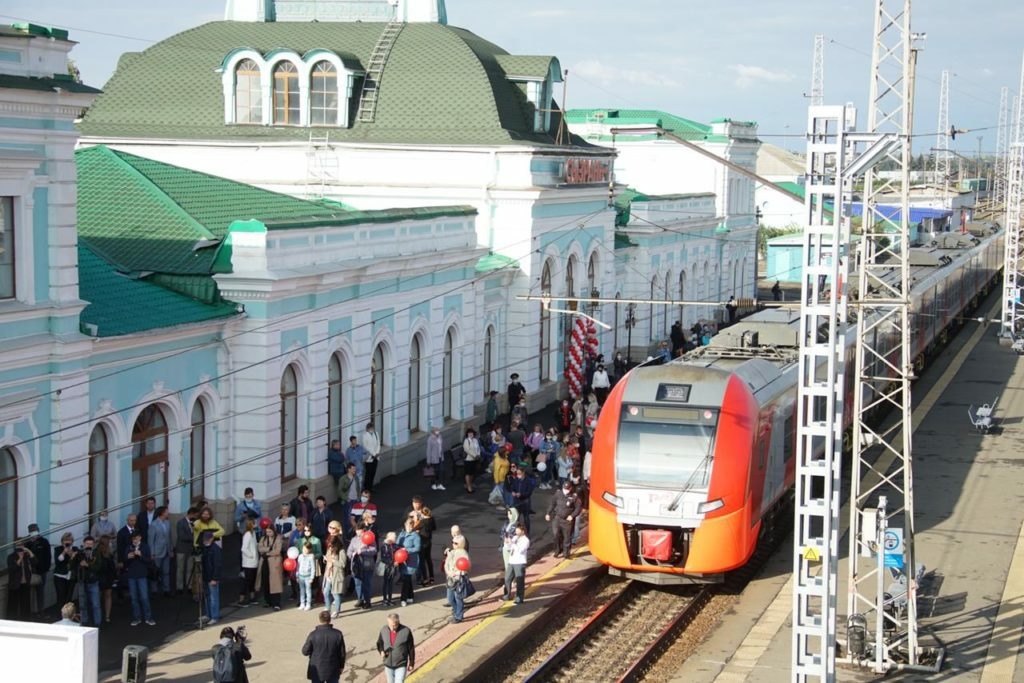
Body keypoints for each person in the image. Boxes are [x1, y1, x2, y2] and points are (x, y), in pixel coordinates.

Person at [302, 611, 347, 683]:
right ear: (329, 620)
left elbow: (305, 651)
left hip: (317, 669)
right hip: (333, 668)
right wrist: (341, 666)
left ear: (320, 620)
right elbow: (342, 653)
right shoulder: (337, 634)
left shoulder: (313, 634)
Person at [122, 530, 156, 626]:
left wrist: (141, 555)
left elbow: (149, 561)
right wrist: (128, 557)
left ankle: (148, 617)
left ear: (140, 537)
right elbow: (125, 562)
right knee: (134, 598)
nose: (135, 541)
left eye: (136, 538)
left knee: (144, 597)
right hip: (132, 575)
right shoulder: (128, 547)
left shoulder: (145, 547)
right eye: (133, 539)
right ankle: (136, 618)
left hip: (142, 575)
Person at [546, 481, 584, 558]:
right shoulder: (558, 494)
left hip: (567, 521)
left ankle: (566, 553)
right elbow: (552, 504)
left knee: (567, 537)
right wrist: (548, 513)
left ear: (570, 488)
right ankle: (557, 550)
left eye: (567, 489)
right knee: (556, 535)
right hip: (557, 518)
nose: (566, 490)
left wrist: (572, 516)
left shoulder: (574, 497)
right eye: (564, 488)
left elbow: (578, 508)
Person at [377, 613, 416, 683]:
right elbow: (379, 643)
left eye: (394, 625)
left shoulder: (406, 631)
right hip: (388, 664)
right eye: (390, 625)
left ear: (398, 622)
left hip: (401, 664)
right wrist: (381, 651)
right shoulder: (384, 630)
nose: (392, 628)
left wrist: (411, 663)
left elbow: (411, 648)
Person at [348, 525, 378, 609]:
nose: (357, 532)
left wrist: (362, 551)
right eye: (356, 530)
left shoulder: (369, 537)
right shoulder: (354, 539)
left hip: (367, 565)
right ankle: (360, 599)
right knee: (358, 583)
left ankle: (367, 601)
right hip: (356, 565)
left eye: (359, 531)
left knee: (366, 584)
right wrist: (351, 555)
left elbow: (374, 550)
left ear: (363, 530)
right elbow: (349, 550)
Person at [6, 537, 36, 619]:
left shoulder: (26, 556)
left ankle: (25, 620)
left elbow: (35, 562)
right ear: (15, 546)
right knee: (13, 606)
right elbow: (11, 569)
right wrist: (20, 559)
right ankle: (11, 622)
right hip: (15, 584)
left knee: (25, 605)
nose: (20, 547)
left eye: (21, 545)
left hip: (25, 584)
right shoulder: (11, 557)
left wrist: (29, 551)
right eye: (18, 545)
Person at [25, 523, 51, 616]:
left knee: (40, 592)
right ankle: (30, 612)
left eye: (35, 531)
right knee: (29, 592)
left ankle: (41, 612)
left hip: (41, 571)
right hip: (29, 571)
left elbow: (48, 556)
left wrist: (46, 568)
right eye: (32, 531)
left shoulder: (44, 542)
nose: (33, 533)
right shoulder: (27, 542)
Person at [443, 536, 470, 624]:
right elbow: (446, 563)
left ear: (461, 544)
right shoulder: (452, 552)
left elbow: (466, 567)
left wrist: (457, 573)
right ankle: (456, 612)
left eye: (455, 543)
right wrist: (448, 572)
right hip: (450, 579)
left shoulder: (464, 554)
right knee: (450, 598)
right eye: (452, 542)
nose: (453, 544)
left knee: (458, 598)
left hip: (459, 579)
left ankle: (459, 616)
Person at [256, 526, 284, 610]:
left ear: (273, 531)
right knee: (265, 582)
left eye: (270, 532)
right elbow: (260, 548)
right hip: (264, 562)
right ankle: (268, 601)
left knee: (275, 583)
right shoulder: (263, 538)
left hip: (274, 563)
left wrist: (267, 553)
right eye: (267, 532)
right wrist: (269, 549)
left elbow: (277, 551)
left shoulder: (278, 538)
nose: (268, 534)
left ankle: (276, 603)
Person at [76, 536, 102, 626]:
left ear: (94, 544)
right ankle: (84, 621)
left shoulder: (96, 553)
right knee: (82, 604)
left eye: (91, 544)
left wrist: (88, 565)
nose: (89, 545)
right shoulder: (80, 553)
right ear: (84, 543)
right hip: (82, 581)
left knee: (96, 604)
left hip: (93, 581)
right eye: (87, 544)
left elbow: (99, 567)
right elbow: (74, 565)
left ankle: (97, 623)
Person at [148, 506, 173, 597]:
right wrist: (152, 553)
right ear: (162, 513)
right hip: (157, 551)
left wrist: (171, 549)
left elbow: (169, 537)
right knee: (155, 571)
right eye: (166, 511)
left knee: (166, 571)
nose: (168, 513)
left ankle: (166, 589)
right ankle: (154, 590)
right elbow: (151, 540)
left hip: (166, 550)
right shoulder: (154, 524)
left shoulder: (168, 523)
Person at [502, 523, 530, 604]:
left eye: (518, 530)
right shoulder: (514, 538)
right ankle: (507, 595)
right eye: (516, 530)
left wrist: (513, 543)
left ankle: (519, 598)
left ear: (523, 531)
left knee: (519, 580)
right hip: (512, 561)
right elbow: (509, 549)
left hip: (519, 562)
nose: (516, 531)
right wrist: (507, 543)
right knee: (507, 578)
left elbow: (521, 550)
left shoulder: (526, 540)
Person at [396, 517, 421, 607]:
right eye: (408, 525)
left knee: (406, 579)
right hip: (402, 560)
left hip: (411, 561)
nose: (410, 527)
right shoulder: (402, 534)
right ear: (405, 525)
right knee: (408, 578)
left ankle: (403, 599)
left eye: (411, 525)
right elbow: (397, 544)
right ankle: (410, 596)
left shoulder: (415, 536)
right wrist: (399, 549)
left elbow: (417, 548)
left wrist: (406, 549)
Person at [175, 507, 199, 595]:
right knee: (180, 568)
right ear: (191, 513)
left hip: (190, 549)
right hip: (181, 549)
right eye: (195, 515)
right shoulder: (181, 523)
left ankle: (189, 585)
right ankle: (179, 587)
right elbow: (182, 536)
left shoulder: (195, 523)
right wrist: (194, 538)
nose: (196, 517)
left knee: (189, 568)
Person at [201, 530, 223, 625]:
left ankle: (214, 616)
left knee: (213, 598)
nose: (205, 541)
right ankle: (208, 614)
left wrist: (215, 578)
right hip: (206, 576)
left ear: (211, 539)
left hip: (212, 576)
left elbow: (217, 565)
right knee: (207, 596)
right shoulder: (206, 548)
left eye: (207, 539)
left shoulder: (215, 549)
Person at [323, 534, 347, 618]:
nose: (330, 545)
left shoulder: (341, 551)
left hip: (337, 575)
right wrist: (326, 559)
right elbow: (328, 558)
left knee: (336, 594)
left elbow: (343, 564)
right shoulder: (329, 548)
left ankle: (336, 611)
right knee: (326, 592)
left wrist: (333, 561)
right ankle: (328, 608)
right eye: (329, 543)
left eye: (331, 544)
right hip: (329, 574)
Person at [53, 532, 78, 609]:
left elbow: (76, 562)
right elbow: (58, 561)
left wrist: (72, 555)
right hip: (59, 576)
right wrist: (64, 552)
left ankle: (68, 616)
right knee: (61, 597)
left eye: (69, 540)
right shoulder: (58, 549)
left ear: (72, 541)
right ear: (62, 541)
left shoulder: (75, 549)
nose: (68, 541)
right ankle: (60, 617)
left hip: (70, 576)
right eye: (66, 540)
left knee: (68, 598)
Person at [508, 465, 536, 533]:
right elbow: (513, 487)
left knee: (526, 518)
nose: (518, 475)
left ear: (523, 473)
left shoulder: (528, 481)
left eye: (519, 473)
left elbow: (529, 492)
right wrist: (513, 492)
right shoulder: (516, 480)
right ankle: (517, 532)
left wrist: (521, 494)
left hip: (525, 501)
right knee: (516, 517)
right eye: (517, 473)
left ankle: (526, 532)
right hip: (517, 501)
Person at [237, 518, 259, 606]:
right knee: (246, 581)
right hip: (248, 563)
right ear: (252, 524)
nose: (256, 524)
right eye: (255, 523)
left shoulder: (253, 533)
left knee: (251, 581)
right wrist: (251, 555)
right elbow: (244, 548)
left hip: (253, 562)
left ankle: (252, 597)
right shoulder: (248, 534)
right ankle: (241, 600)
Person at [96, 535, 117, 623]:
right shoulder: (98, 554)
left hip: (106, 577)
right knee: (105, 596)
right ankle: (105, 616)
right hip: (102, 577)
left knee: (105, 596)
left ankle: (105, 616)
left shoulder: (109, 554)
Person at [415, 506, 435, 587]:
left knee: (422, 561)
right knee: (429, 559)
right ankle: (431, 577)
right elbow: (434, 527)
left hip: (422, 543)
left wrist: (418, 519)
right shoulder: (431, 520)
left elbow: (414, 528)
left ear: (423, 514)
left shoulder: (423, 522)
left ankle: (425, 579)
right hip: (429, 542)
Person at [362, 422, 382, 491]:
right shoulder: (365, 436)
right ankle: (366, 487)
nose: (371, 429)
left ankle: (370, 487)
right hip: (369, 458)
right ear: (367, 429)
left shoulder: (376, 433)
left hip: (376, 457)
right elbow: (366, 447)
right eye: (370, 428)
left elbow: (378, 444)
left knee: (373, 472)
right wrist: (374, 454)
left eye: (372, 428)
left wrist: (377, 453)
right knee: (368, 473)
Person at [499, 507, 520, 573]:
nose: (509, 516)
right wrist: (504, 538)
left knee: (513, 564)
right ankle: (510, 580)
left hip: (513, 548)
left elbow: (518, 535)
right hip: (505, 547)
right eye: (508, 514)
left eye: (510, 514)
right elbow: (502, 532)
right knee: (507, 564)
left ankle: (513, 580)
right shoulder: (506, 523)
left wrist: (510, 539)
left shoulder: (518, 525)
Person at [297, 542, 317, 611]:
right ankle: (302, 603)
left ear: (310, 549)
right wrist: (297, 576)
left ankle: (308, 604)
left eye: (307, 549)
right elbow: (297, 566)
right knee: (302, 591)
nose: (305, 550)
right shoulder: (300, 556)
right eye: (304, 548)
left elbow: (313, 568)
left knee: (308, 591)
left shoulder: (311, 556)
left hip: (308, 576)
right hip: (301, 576)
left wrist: (312, 577)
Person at [379, 532, 397, 607]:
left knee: (390, 584)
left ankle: (390, 599)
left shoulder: (393, 545)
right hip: (387, 567)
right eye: (394, 537)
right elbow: (383, 558)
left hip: (393, 567)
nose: (395, 538)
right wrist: (392, 563)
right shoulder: (384, 546)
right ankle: (385, 599)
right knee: (386, 583)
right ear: (389, 537)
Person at [462, 428, 481, 493]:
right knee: (468, 473)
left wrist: (478, 454)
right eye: (469, 433)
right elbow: (467, 450)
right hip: (468, 459)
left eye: (472, 433)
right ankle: (469, 487)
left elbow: (478, 448)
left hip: (475, 459)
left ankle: (469, 484)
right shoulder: (466, 441)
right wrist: (474, 455)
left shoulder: (475, 440)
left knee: (472, 473)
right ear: (467, 434)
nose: (470, 434)